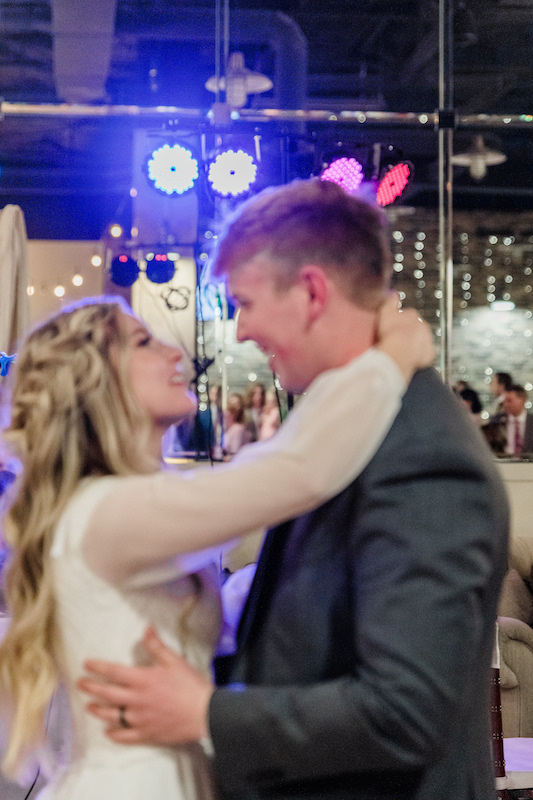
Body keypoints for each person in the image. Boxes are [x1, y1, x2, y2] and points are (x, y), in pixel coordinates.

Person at [80, 180, 509, 800]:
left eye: (246, 302)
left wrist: (205, 713)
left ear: (311, 292)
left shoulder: (420, 456)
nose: (242, 330)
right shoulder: (343, 431)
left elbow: (405, 710)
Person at [0, 291, 433, 800]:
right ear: (93, 380)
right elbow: (298, 471)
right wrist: (390, 359)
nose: (175, 353)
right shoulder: (104, 509)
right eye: (144, 342)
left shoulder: (129, 503)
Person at [502, 384, 533, 456]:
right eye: (504, 401)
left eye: (509, 401)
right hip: (504, 461)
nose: (506, 405)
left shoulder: (531, 421)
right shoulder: (497, 421)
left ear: (523, 401)